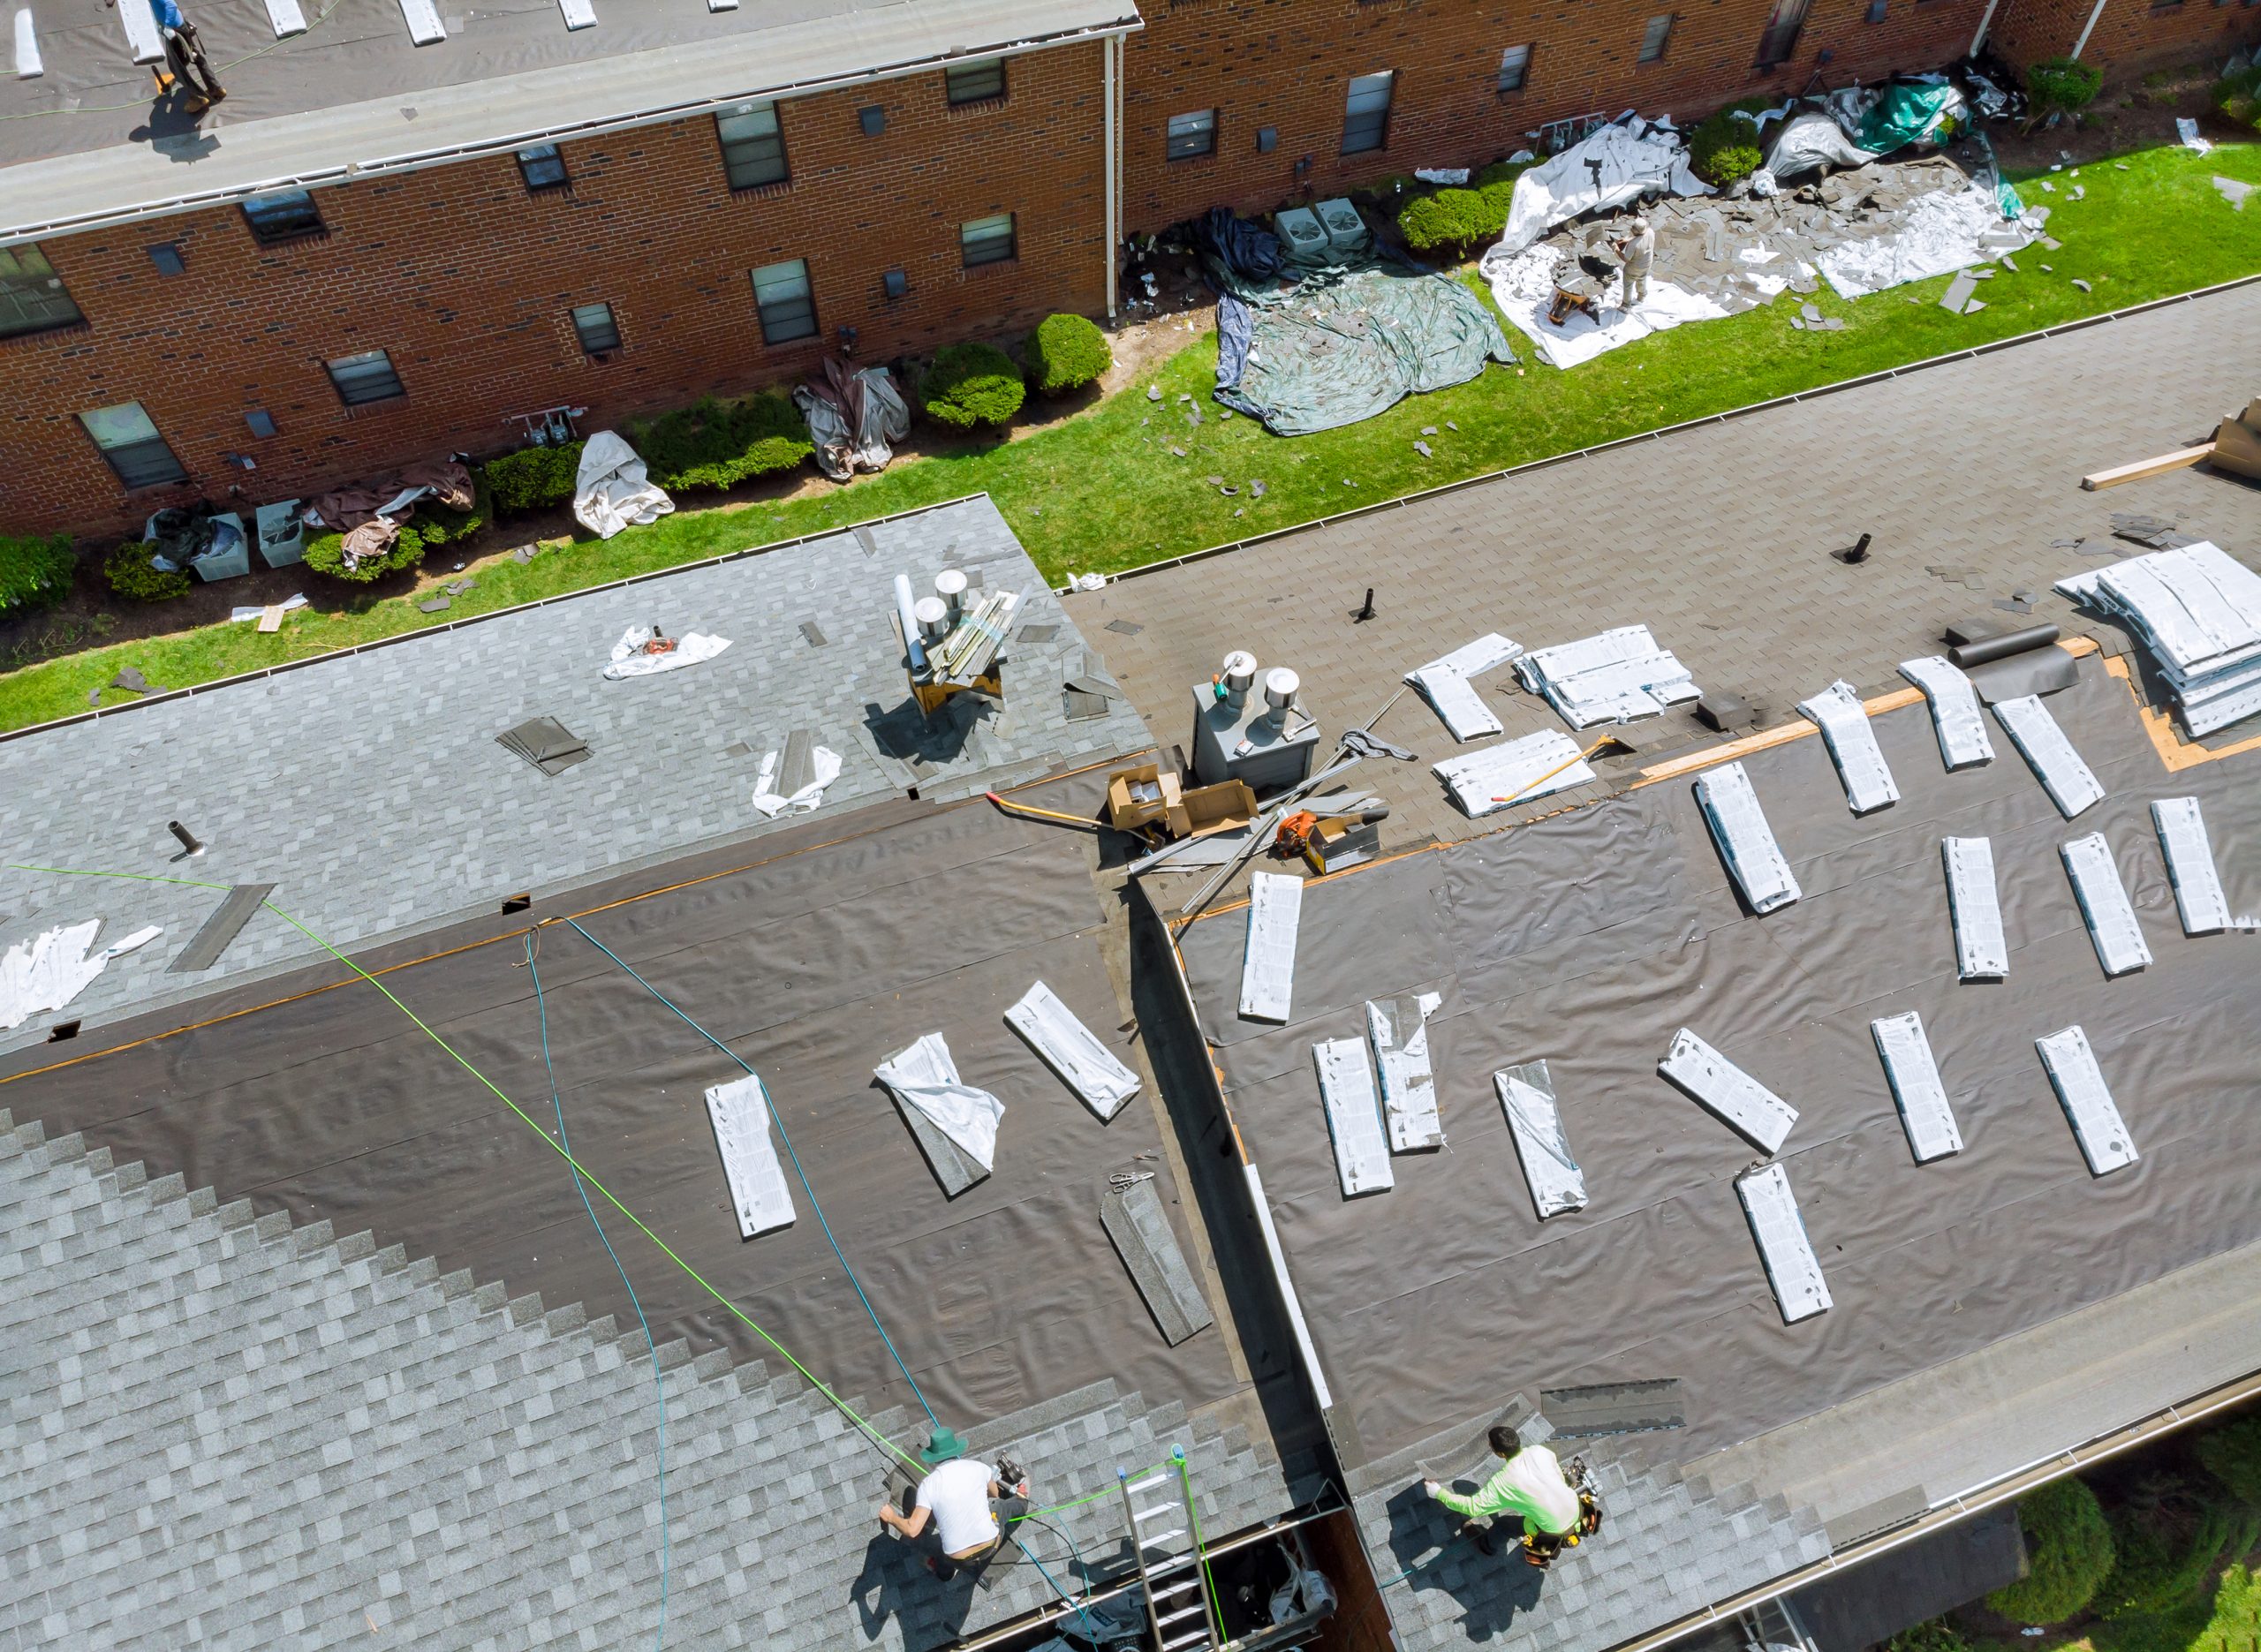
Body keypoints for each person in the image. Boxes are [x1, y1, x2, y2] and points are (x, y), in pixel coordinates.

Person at [1422, 1424, 1589, 1568]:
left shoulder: (1503, 1482)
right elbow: (1559, 1477)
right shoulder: (1540, 1451)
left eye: (1490, 1445)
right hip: (1576, 1508)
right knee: (1532, 1512)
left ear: (1501, 1454)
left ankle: (1487, 1546)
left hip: (1553, 1529)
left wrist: (1439, 1493)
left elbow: (1473, 1507)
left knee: (1503, 1525)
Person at [878, 1456, 1030, 1581]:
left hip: (957, 1559)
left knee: (944, 1552)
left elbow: (912, 1530)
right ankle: (1022, 1501)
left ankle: (944, 1575)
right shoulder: (978, 1467)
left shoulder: (928, 1485)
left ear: (935, 1459)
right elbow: (994, 1495)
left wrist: (891, 1517)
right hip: (989, 1547)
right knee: (1000, 1506)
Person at [147, 0, 227, 114]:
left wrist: (167, 25)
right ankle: (216, 88)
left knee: (177, 67)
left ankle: (196, 98)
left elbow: (171, 5)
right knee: (196, 57)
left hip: (175, 32)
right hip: (179, 26)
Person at [1613, 213, 1654, 310]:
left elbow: (1626, 259)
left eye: (1633, 228)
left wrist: (1616, 249)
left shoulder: (1633, 245)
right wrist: (1626, 240)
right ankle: (1641, 297)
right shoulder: (1650, 232)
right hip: (1647, 263)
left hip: (1633, 268)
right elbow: (1640, 237)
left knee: (1628, 285)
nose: (1631, 229)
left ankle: (1625, 305)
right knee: (1641, 279)